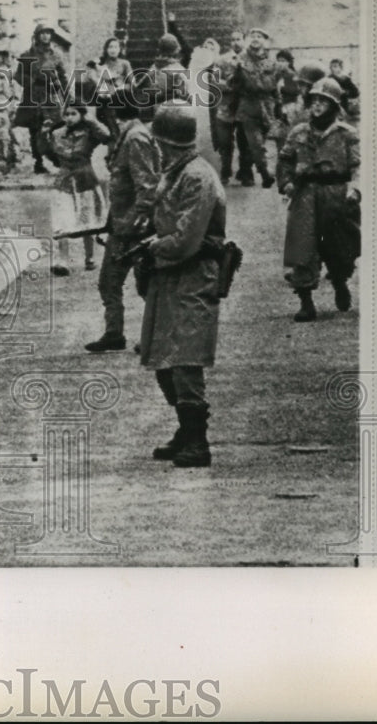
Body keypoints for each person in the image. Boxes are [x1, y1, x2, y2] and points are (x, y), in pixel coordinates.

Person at [136, 103, 226, 468]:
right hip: (170, 274)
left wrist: (154, 247)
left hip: (192, 272)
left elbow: (187, 237)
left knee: (186, 358)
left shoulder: (196, 176)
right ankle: (185, 430)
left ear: (166, 143)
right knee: (162, 356)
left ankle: (198, 440)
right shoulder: (176, 171)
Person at [276, 77, 361, 322]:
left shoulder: (347, 134)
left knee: (341, 248)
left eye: (324, 101)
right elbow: (285, 160)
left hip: (336, 195)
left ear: (334, 106)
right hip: (306, 194)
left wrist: (354, 188)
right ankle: (306, 302)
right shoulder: (298, 132)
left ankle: (340, 281)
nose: (317, 106)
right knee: (304, 248)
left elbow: (358, 165)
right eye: (314, 100)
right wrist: (287, 182)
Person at [84, 89, 160, 352]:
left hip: (134, 228)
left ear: (114, 113)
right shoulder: (129, 135)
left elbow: (147, 185)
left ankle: (154, 335)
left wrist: (138, 220)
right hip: (123, 224)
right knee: (110, 282)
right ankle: (114, 333)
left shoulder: (135, 138)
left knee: (144, 284)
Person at [44, 101, 110, 275]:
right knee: (62, 219)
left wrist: (91, 120)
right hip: (64, 180)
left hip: (85, 178)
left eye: (74, 114)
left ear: (81, 115)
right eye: (66, 114)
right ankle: (62, 260)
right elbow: (50, 153)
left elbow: (107, 136)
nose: (69, 118)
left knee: (86, 219)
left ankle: (89, 258)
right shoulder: (57, 133)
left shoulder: (89, 133)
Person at [14, 23, 69, 174]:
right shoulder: (28, 54)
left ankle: (57, 159)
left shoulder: (56, 54)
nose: (45, 36)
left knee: (56, 126)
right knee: (35, 128)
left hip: (51, 94)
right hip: (33, 94)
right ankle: (38, 162)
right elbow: (18, 75)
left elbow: (63, 77)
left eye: (48, 33)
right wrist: (30, 81)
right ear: (37, 36)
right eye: (42, 33)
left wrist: (67, 96)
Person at [232, 27, 278, 188]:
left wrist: (277, 107)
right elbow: (233, 85)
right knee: (255, 144)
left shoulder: (270, 62)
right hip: (248, 106)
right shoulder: (240, 59)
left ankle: (245, 172)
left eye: (260, 36)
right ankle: (265, 174)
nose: (256, 38)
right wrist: (237, 71)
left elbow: (274, 87)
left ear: (264, 41)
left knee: (254, 145)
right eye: (253, 36)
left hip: (266, 108)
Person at [206, 30, 251, 185]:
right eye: (232, 40)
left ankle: (246, 173)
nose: (235, 42)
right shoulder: (221, 60)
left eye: (238, 39)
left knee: (245, 141)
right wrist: (231, 86)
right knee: (225, 141)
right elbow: (214, 81)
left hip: (245, 106)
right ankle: (225, 170)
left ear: (244, 40)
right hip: (227, 106)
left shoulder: (252, 59)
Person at [135, 29, 191, 124]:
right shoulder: (178, 69)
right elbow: (183, 94)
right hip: (172, 112)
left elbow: (138, 86)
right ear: (175, 50)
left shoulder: (153, 67)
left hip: (154, 111)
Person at [86, 36, 133, 140]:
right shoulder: (101, 63)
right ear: (106, 49)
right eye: (110, 47)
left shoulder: (125, 64)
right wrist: (97, 80)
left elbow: (132, 84)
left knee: (120, 126)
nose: (113, 50)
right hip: (104, 98)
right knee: (109, 127)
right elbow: (91, 76)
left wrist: (120, 87)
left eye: (116, 47)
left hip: (120, 98)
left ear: (120, 49)